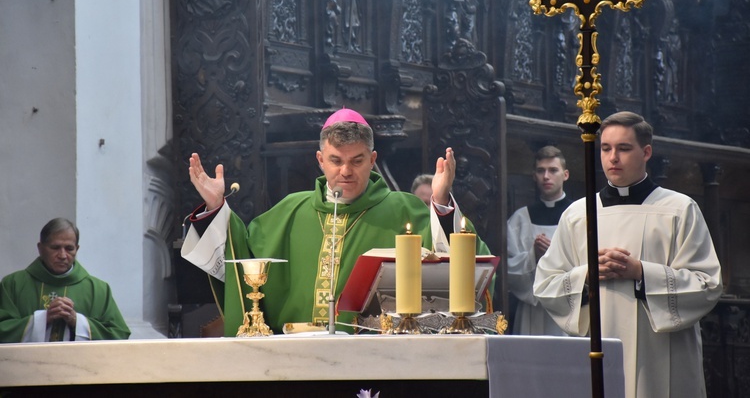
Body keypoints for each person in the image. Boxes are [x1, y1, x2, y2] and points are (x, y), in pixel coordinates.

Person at [182, 108, 493, 335]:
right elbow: (242, 260)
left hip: (376, 355)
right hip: (293, 355)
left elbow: (464, 260)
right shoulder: (291, 210)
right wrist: (216, 209)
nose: (346, 171)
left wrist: (440, 202)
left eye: (357, 160)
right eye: (336, 160)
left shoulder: (403, 209)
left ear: (372, 160)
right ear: (320, 160)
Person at [534, 112, 722, 398]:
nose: (613, 158)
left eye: (623, 148)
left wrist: (642, 273)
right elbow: (546, 285)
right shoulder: (577, 215)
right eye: (606, 148)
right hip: (597, 350)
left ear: (646, 152)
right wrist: (588, 275)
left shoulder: (680, 210)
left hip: (660, 358)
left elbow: (707, 284)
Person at [0, 218, 131, 343]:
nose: (62, 255)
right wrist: (42, 320)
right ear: (40, 248)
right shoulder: (13, 285)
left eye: (69, 248)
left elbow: (119, 335)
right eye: (55, 247)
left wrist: (77, 322)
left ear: (77, 249)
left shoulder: (98, 290)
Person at [506, 145, 574, 335]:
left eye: (553, 170)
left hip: (569, 307)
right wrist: (533, 256)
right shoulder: (521, 218)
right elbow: (508, 271)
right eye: (540, 171)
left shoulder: (580, 214)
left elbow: (590, 263)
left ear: (565, 175)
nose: (546, 176)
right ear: (534, 176)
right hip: (532, 309)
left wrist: (554, 255)